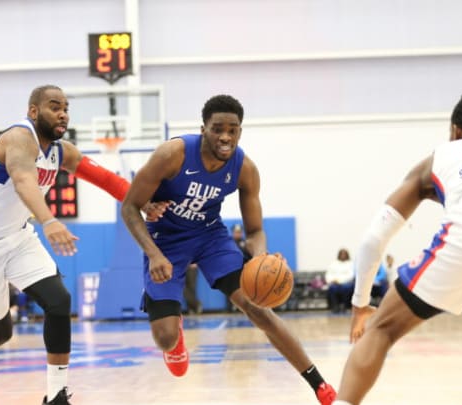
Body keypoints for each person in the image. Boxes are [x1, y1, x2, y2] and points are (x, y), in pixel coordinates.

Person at [0, 85, 165, 404]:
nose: (62, 113)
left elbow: (105, 179)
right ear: (34, 112)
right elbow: (23, 182)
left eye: (66, 108)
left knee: (59, 302)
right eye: (54, 107)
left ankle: (56, 395)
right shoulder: (17, 139)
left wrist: (143, 201)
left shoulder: (62, 151)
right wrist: (48, 220)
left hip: (17, 238)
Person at [121, 94, 337, 404]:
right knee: (165, 338)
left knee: (258, 308)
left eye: (232, 129)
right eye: (217, 128)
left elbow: (255, 230)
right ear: (203, 129)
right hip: (166, 241)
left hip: (211, 238)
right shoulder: (173, 154)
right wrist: (153, 253)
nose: (225, 136)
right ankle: (176, 338)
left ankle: (319, 385)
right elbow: (129, 207)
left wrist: (261, 255)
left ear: (240, 131)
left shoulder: (244, 168)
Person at [333, 93, 462, 405]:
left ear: (456, 131)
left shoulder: (444, 155)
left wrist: (360, 305)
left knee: (381, 330)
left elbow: (374, 239)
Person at [325, 248, 355, 313]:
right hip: (334, 282)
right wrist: (332, 280)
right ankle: (335, 306)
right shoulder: (333, 263)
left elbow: (351, 275)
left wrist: (340, 281)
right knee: (332, 288)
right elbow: (329, 274)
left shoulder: (351, 264)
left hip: (346, 283)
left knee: (347, 288)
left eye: (344, 254)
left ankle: (345, 306)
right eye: (341, 254)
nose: (343, 255)